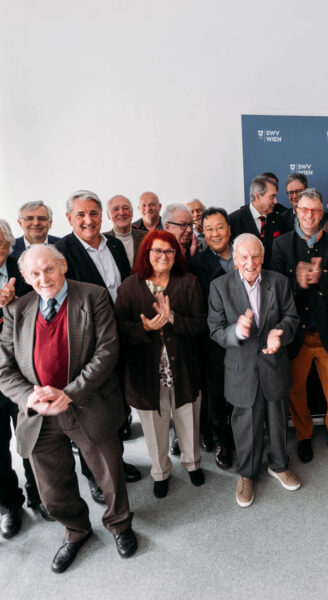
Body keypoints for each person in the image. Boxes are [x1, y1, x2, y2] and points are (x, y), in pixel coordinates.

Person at [0, 245, 137, 572]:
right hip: (39, 414)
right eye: (34, 273)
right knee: (52, 490)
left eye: (49, 269)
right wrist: (29, 396)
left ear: (62, 265)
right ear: (25, 277)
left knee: (109, 476)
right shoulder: (16, 310)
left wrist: (70, 393)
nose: (43, 278)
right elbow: (4, 369)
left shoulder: (93, 296)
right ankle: (76, 530)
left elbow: (107, 351)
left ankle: (119, 524)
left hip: (87, 404)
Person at [55, 190, 140, 501]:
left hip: (121, 336)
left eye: (93, 213)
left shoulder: (113, 244)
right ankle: (93, 475)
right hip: (88, 347)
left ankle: (116, 463)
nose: (88, 220)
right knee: (91, 416)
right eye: (81, 214)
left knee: (116, 409)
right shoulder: (61, 252)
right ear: (69, 218)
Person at [208, 233, 300, 507]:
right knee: (245, 424)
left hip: (274, 364)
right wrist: (236, 331)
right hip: (242, 369)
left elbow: (291, 318)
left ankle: (279, 465)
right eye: (244, 257)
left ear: (263, 257)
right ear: (235, 259)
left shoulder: (279, 282)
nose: (251, 263)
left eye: (256, 256)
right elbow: (215, 330)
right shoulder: (219, 287)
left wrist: (279, 333)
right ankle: (247, 473)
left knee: (278, 420)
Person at [115, 230, 206, 498]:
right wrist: (144, 328)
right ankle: (161, 472)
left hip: (184, 367)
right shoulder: (130, 286)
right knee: (154, 426)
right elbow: (118, 328)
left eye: (169, 251)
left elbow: (201, 324)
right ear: (146, 254)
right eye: (157, 250)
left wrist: (174, 318)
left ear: (176, 255)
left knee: (188, 418)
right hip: (147, 372)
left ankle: (192, 463)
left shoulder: (189, 282)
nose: (163, 256)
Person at [271, 189, 328, 463]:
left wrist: (319, 280)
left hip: (327, 333)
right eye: (304, 209)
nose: (309, 215)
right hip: (296, 336)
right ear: (296, 211)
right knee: (295, 391)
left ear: (322, 213)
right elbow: (274, 290)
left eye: (315, 210)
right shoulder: (281, 245)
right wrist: (297, 283)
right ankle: (304, 436)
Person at [0, 221, 52, 538]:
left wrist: (14, 301)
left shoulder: (25, 269)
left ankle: (39, 494)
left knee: (33, 437)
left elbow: (44, 308)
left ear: (8, 245)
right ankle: (10, 504)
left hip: (24, 371)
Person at [189, 207, 235, 469]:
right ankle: (223, 442)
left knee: (245, 391)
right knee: (216, 394)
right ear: (202, 233)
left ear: (229, 229)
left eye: (219, 227)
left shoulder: (245, 253)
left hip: (248, 336)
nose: (215, 233)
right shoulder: (197, 264)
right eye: (209, 229)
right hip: (215, 339)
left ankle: (244, 436)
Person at [228, 175, 288, 268]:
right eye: (272, 197)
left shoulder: (279, 220)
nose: (275, 202)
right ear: (257, 196)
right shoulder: (233, 220)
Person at [104, 195, 147, 267]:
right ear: (108, 215)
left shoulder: (147, 237)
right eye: (115, 209)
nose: (121, 213)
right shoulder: (101, 240)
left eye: (126, 208)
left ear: (132, 212)